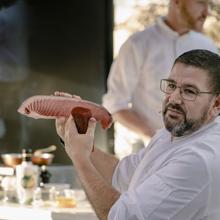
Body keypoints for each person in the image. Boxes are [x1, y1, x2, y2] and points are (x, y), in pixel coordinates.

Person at [56, 49, 220, 220]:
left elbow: (120, 216)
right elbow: (119, 174)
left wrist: (80, 158)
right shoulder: (172, 132)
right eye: (171, 86)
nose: (173, 99)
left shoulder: (199, 157)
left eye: (189, 91)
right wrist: (74, 138)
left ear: (216, 104)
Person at [102, 0, 219, 159]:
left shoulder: (208, 46)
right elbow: (115, 104)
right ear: (177, 1)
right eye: (200, 2)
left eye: (208, 4)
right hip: (147, 154)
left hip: (198, 154)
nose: (206, 12)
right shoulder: (137, 44)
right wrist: (154, 137)